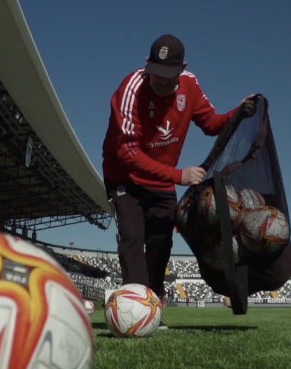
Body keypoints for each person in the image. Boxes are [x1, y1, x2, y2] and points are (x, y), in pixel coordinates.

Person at [102, 34, 257, 329]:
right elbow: (127, 152)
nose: (162, 82)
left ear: (182, 68)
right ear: (147, 64)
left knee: (161, 242)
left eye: (169, 77)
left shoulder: (189, 84)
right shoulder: (130, 89)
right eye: (156, 75)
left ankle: (152, 308)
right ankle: (134, 314)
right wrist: (178, 176)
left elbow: (211, 124)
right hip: (125, 176)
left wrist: (237, 115)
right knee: (133, 239)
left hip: (160, 180)